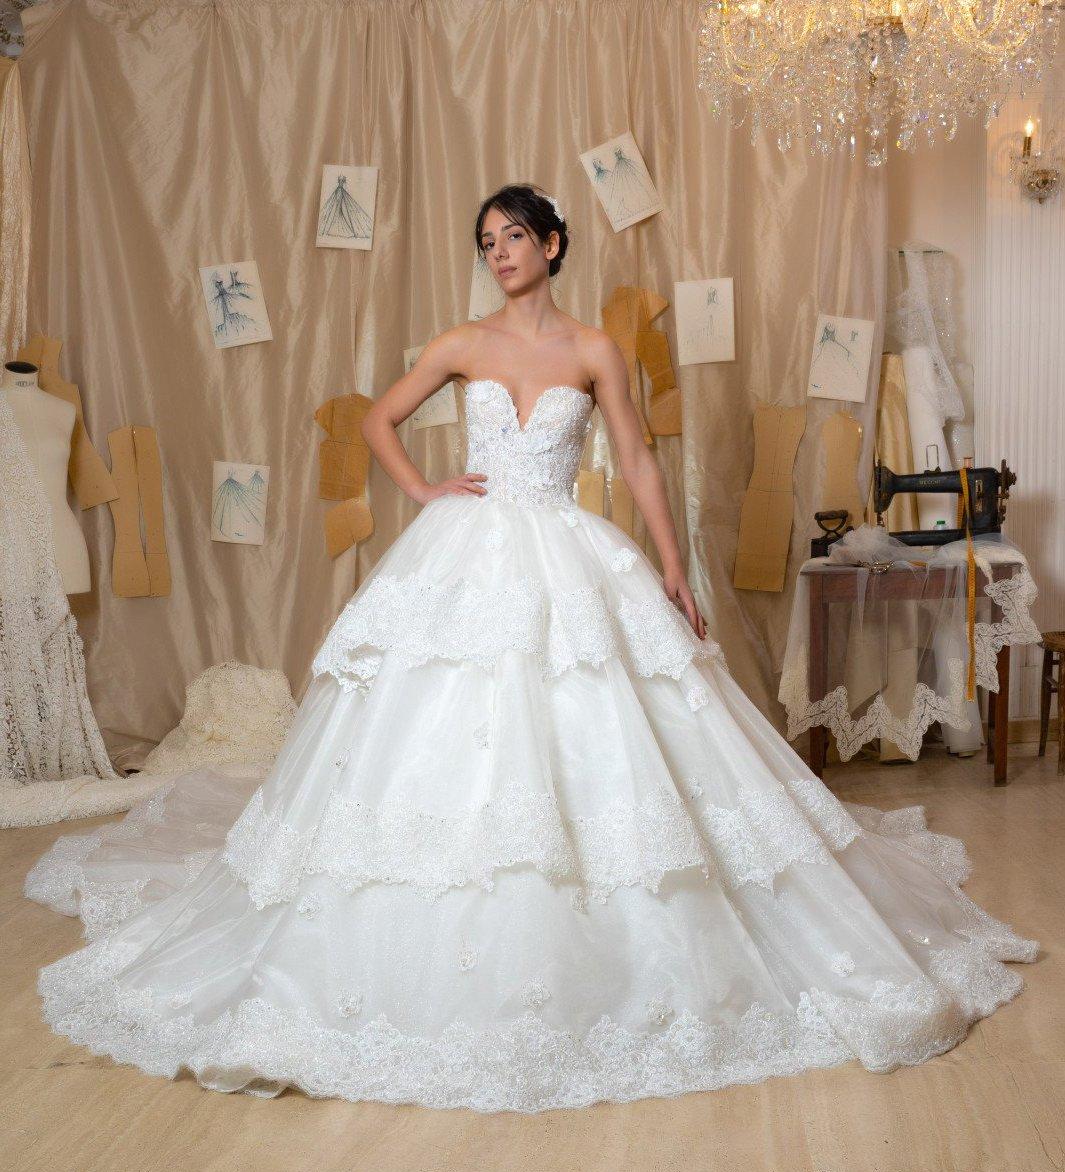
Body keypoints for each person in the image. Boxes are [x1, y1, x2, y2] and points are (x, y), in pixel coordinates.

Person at [27, 183, 1038, 1113]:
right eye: (487, 241)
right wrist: (424, 490)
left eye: (515, 236)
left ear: (554, 244)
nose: (500, 252)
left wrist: (674, 569)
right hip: (465, 552)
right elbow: (380, 418)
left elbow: (637, 458)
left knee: (601, 726)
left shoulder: (595, 350)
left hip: (566, 548)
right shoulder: (463, 340)